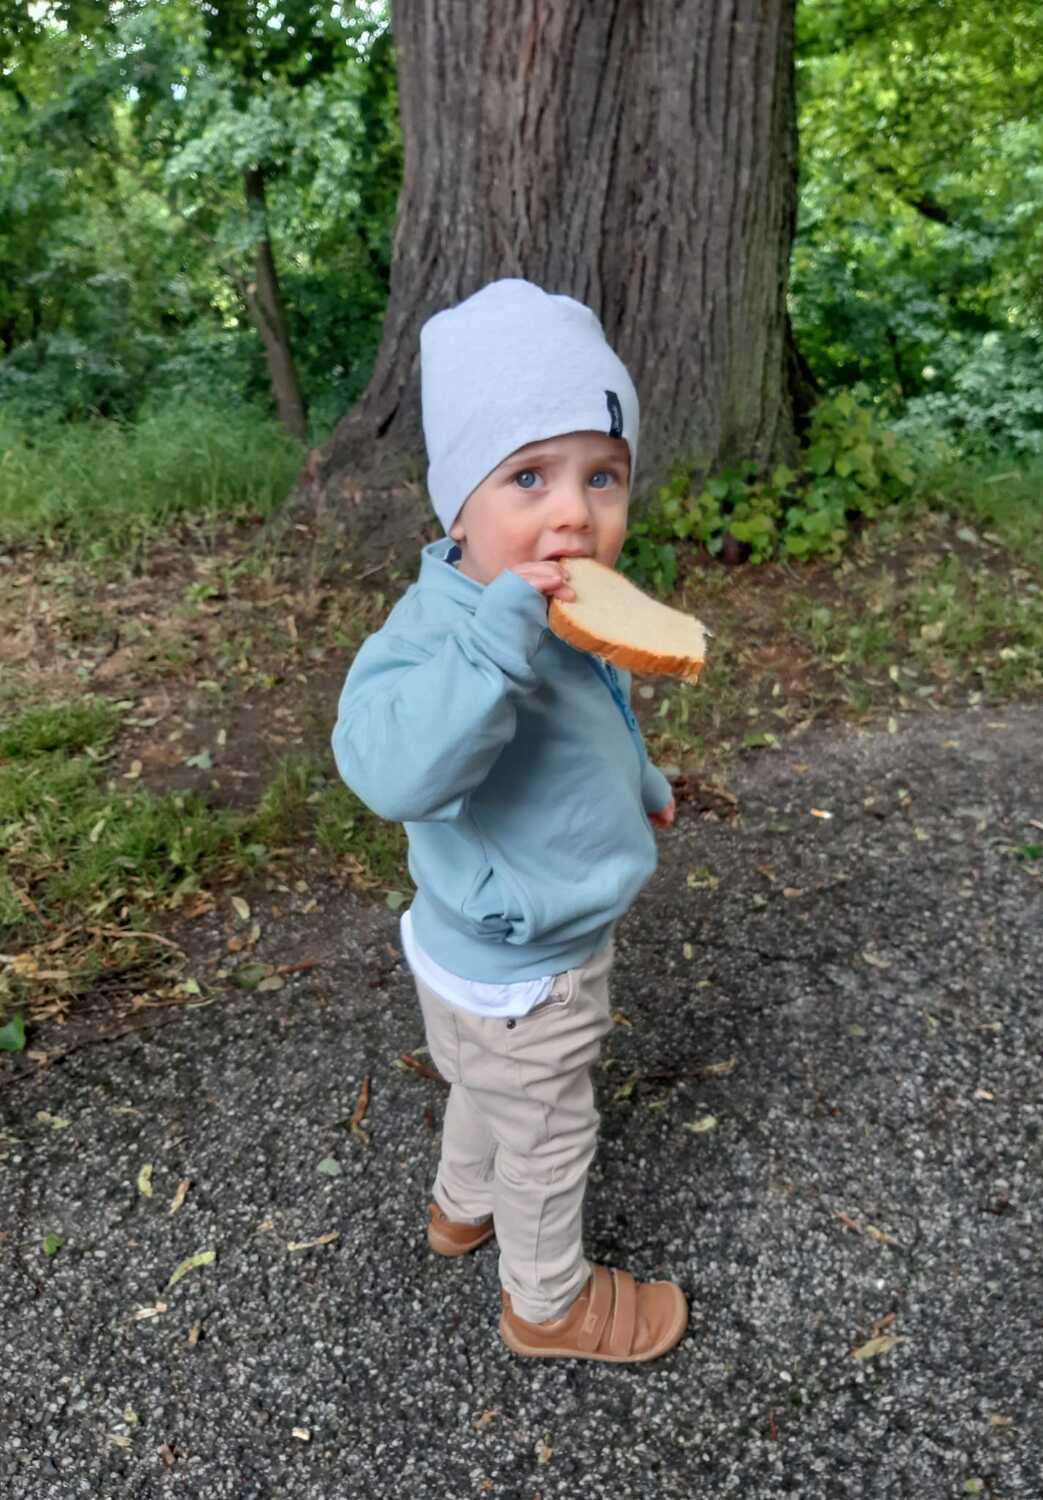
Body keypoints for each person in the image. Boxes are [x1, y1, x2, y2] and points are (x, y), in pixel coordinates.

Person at [332, 278, 688, 1363]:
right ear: (457, 507)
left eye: (601, 475)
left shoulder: (557, 604)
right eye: (529, 475)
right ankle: (548, 1304)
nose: (574, 510)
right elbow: (394, 773)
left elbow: (593, 717)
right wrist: (493, 649)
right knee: (549, 1130)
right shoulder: (438, 638)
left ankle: (460, 1207)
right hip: (523, 966)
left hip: (490, 962)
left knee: (485, 1094)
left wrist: (642, 780)